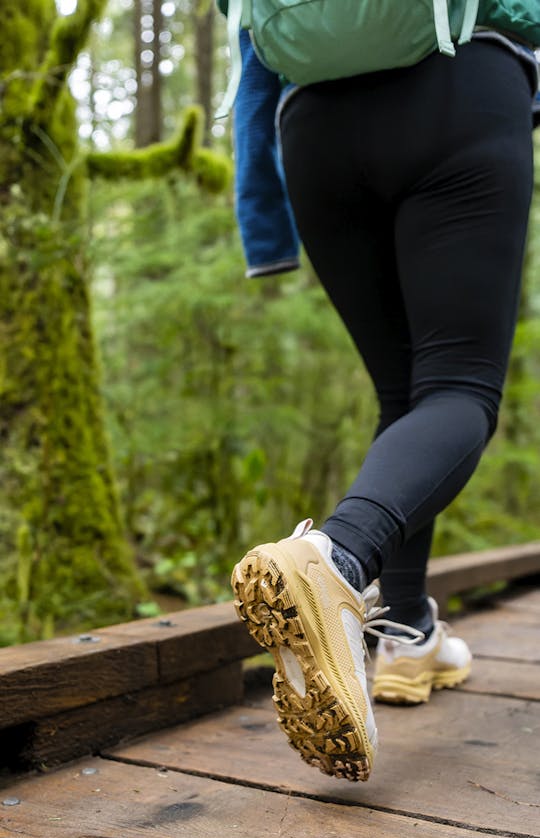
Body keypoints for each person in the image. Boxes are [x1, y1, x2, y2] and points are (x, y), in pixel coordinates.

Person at [227, 12, 540, 783]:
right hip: (459, 87)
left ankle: (405, 633)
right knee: (459, 386)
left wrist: (261, 221)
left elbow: (251, 47)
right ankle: (337, 557)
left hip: (314, 130)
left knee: (404, 395)